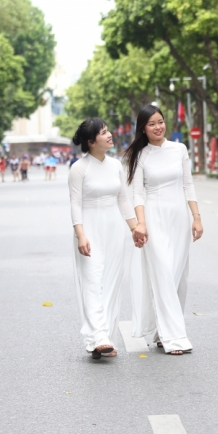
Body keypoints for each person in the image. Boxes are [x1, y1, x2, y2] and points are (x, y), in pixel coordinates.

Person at [125, 105, 203, 356]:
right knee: (163, 274)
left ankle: (162, 331)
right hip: (154, 217)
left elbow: (188, 184)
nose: (158, 127)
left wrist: (196, 218)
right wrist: (141, 223)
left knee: (178, 277)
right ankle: (174, 338)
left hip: (179, 217)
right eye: (152, 124)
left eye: (160, 121)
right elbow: (137, 193)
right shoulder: (141, 155)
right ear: (143, 129)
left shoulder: (179, 149)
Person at [68, 118, 140, 360]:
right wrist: (80, 235)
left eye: (108, 131)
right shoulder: (79, 168)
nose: (109, 135)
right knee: (92, 280)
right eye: (103, 132)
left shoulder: (115, 165)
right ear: (91, 142)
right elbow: (75, 204)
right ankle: (97, 336)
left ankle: (104, 337)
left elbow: (123, 199)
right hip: (89, 229)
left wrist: (135, 228)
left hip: (114, 229)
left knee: (111, 282)